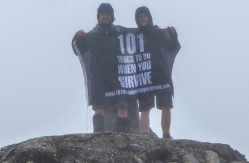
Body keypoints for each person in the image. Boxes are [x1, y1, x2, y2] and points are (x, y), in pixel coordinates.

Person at [73, 3, 133, 133]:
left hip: (118, 75)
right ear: (99, 16)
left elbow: (138, 35)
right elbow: (77, 49)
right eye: (103, 14)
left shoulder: (119, 32)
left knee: (122, 107)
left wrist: (156, 30)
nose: (105, 17)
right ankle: (98, 139)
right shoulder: (92, 35)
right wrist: (77, 38)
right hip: (99, 77)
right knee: (99, 108)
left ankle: (125, 138)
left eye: (108, 14)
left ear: (112, 16)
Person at [134, 6, 180, 139]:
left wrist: (173, 36)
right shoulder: (134, 35)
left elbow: (171, 47)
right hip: (144, 74)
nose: (143, 19)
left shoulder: (158, 32)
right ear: (137, 20)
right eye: (140, 17)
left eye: (145, 16)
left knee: (166, 105)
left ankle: (166, 134)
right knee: (144, 107)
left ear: (149, 17)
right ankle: (144, 134)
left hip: (160, 72)